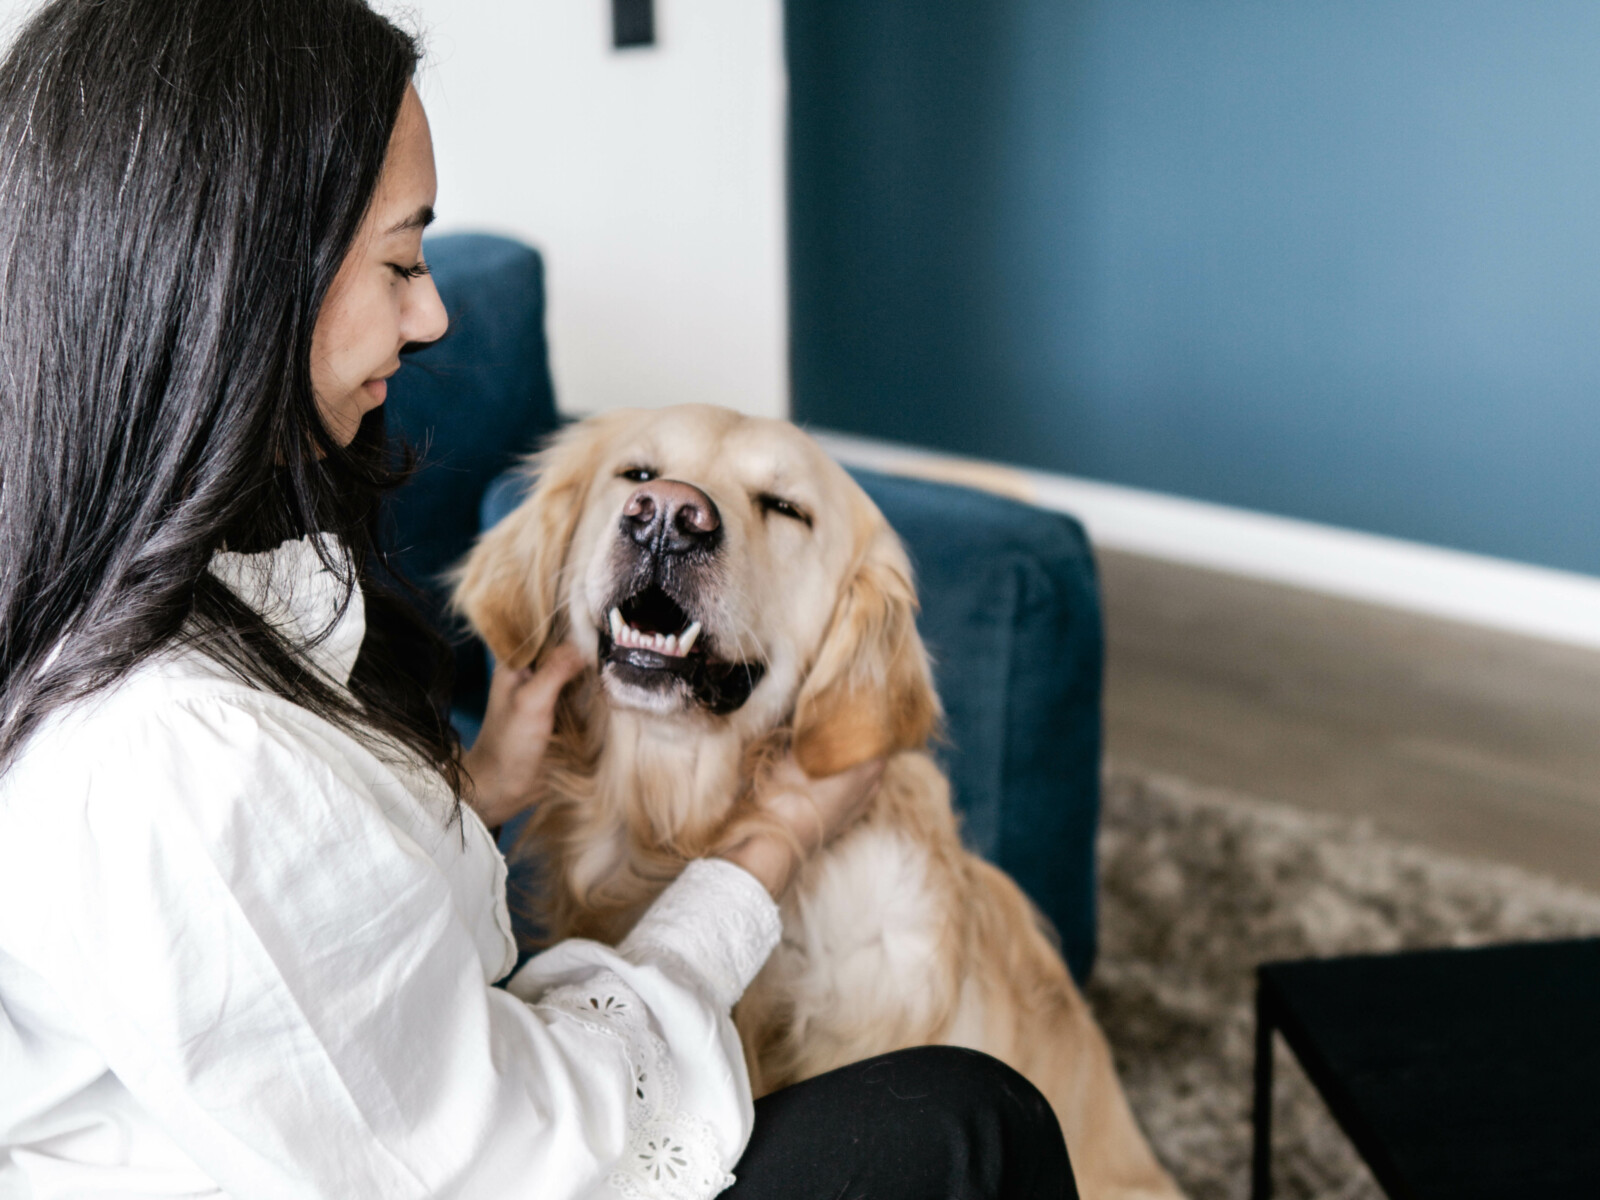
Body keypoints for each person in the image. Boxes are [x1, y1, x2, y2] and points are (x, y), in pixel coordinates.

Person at [0, 2, 1076, 1197]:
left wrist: (482, 788)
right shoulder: (179, 754)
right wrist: (768, 844)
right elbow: (505, 1155)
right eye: (401, 262)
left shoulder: (125, 585)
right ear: (227, 283)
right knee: (971, 1121)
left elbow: (298, 920)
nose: (433, 315)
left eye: (772, 506)